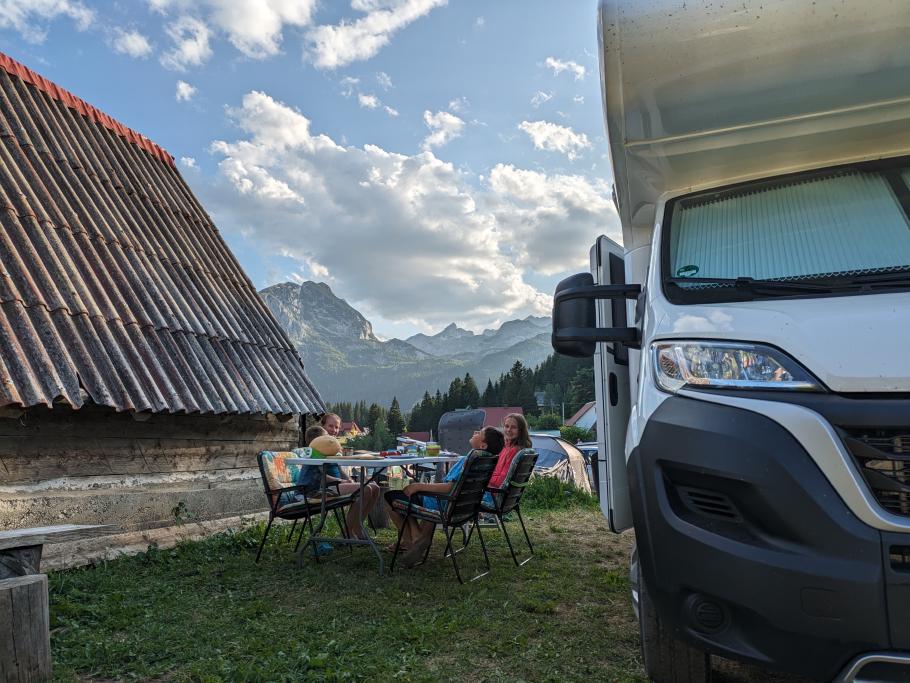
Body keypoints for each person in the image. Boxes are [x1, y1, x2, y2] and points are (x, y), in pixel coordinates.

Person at [385, 426, 505, 565]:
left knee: (390, 498)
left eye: (480, 433)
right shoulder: (484, 461)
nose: (475, 433)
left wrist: (418, 486)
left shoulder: (470, 459)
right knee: (410, 496)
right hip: (462, 508)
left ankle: (413, 539)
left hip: (442, 504)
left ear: (483, 445)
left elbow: (450, 487)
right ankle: (416, 538)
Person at [297, 413, 380, 540]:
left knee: (375, 487)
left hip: (334, 485)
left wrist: (348, 479)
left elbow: (339, 468)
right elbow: (321, 476)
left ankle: (358, 525)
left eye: (337, 427)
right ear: (323, 427)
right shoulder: (316, 450)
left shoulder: (330, 448)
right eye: (331, 426)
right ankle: (347, 531)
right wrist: (341, 481)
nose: (334, 430)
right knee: (365, 489)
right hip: (320, 489)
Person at [488, 413, 533, 492]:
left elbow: (502, 477)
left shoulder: (514, 450)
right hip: (504, 495)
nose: (509, 430)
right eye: (506, 426)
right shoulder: (508, 447)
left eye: (514, 427)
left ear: (521, 430)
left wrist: (484, 482)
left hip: (494, 492)